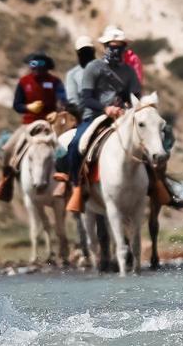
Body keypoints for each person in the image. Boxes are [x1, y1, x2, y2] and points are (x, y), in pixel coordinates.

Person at [66, 26, 142, 212]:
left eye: (120, 47)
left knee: (148, 144)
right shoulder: (93, 68)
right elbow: (86, 98)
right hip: (94, 116)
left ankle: (156, 185)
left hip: (122, 117)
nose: (116, 50)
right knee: (75, 145)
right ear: (105, 47)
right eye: (112, 46)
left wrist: (126, 108)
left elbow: (135, 96)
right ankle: (77, 187)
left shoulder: (129, 72)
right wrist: (106, 108)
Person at [13, 52, 66, 124]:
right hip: (30, 122)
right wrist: (28, 107)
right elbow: (17, 105)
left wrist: (58, 112)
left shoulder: (55, 81)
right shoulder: (24, 82)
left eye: (41, 63)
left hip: (51, 120)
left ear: (46, 66)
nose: (37, 67)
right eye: (33, 63)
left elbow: (63, 100)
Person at [64, 36, 96, 118]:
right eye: (83, 51)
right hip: (86, 116)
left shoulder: (104, 69)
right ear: (77, 53)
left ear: (93, 51)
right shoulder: (72, 75)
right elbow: (73, 100)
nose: (86, 54)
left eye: (88, 51)